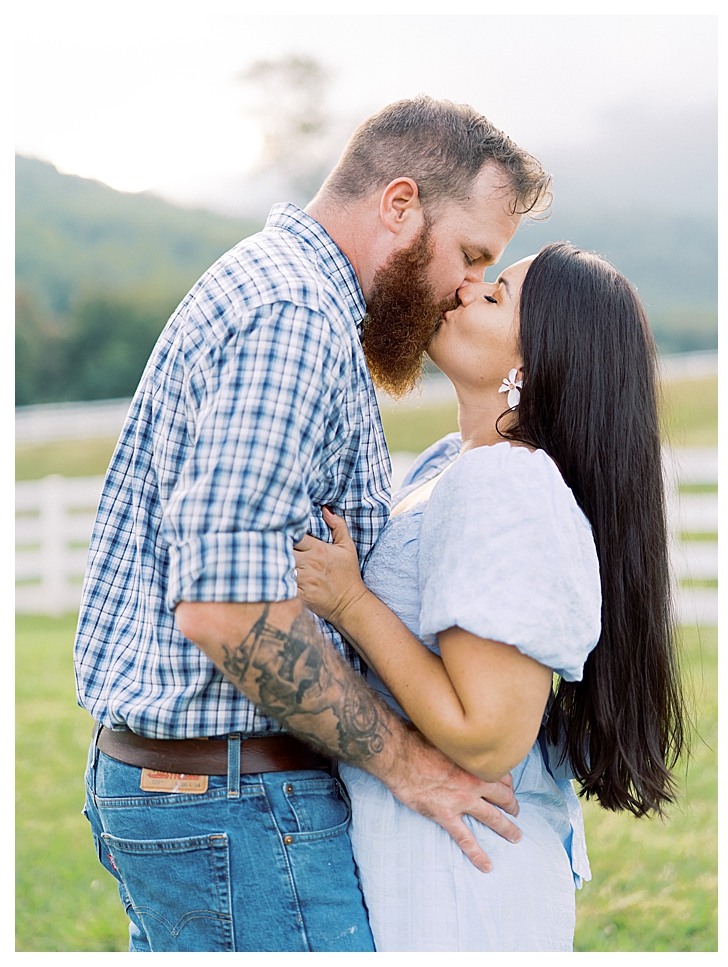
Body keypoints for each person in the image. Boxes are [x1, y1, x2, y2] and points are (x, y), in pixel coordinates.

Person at [74, 96, 551, 951]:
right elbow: (229, 609)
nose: (465, 287)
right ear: (400, 204)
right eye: (470, 253)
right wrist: (408, 765)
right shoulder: (293, 315)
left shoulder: (297, 301)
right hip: (233, 801)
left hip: (212, 796)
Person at [292, 242, 684, 950]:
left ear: (533, 366)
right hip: (427, 845)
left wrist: (350, 603)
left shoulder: (506, 482)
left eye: (496, 295)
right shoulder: (453, 462)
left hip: (462, 875)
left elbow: (488, 733)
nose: (468, 287)